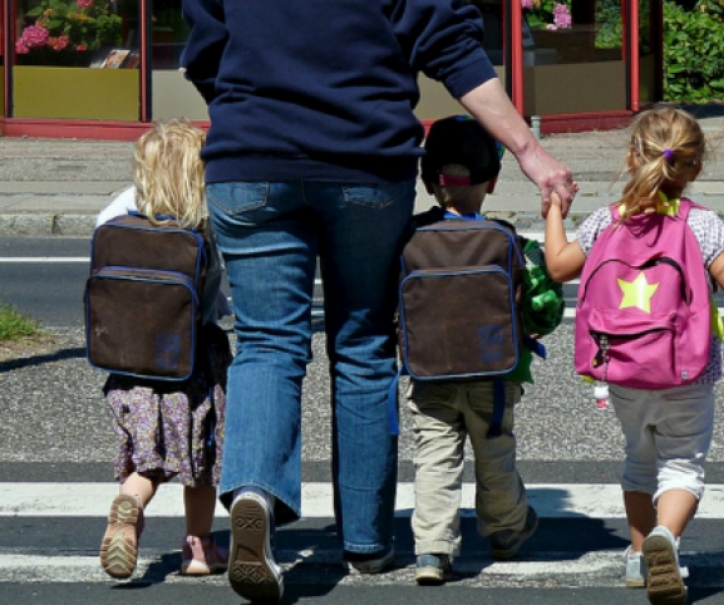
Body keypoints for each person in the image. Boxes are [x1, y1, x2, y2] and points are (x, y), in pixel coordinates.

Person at [180, 1, 576, 602]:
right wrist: (526, 149)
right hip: (363, 161)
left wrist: (255, 111)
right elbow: (451, 47)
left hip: (250, 157)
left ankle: (255, 491)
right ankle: (365, 541)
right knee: (362, 340)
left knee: (267, 342)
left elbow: (205, 47)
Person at [543, 105, 724, 605]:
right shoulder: (702, 226)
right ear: (694, 167)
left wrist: (553, 210)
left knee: (639, 460)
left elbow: (556, 267)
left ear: (632, 158)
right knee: (682, 467)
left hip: (622, 372)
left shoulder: (604, 222)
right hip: (687, 374)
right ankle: (666, 539)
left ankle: (639, 559)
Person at [406, 116, 564, 585]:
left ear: (427, 179)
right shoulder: (507, 240)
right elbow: (544, 309)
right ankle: (506, 530)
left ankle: (432, 549)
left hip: (428, 370)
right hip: (494, 376)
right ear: (491, 182)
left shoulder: (408, 238)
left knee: (435, 456)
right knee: (494, 452)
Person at [97, 119, 231, 580]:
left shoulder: (114, 214)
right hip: (190, 363)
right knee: (199, 459)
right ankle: (199, 549)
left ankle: (130, 502)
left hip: (128, 360)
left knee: (145, 452)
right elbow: (216, 298)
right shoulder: (205, 224)